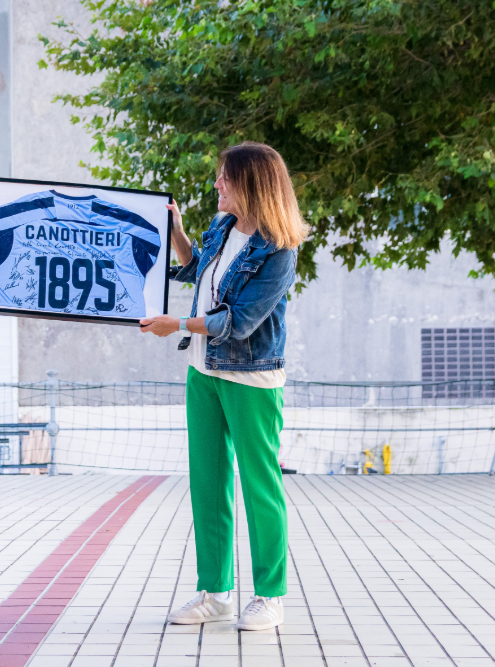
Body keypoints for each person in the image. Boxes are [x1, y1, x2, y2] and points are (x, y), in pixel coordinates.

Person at [139, 141, 308, 632]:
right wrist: (177, 233)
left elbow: (239, 321)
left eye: (225, 178)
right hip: (203, 372)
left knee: (260, 486)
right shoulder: (223, 226)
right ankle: (215, 594)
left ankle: (270, 596)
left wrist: (178, 324)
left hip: (251, 378)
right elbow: (197, 270)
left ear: (250, 184)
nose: (217, 184)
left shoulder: (278, 250)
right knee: (208, 484)